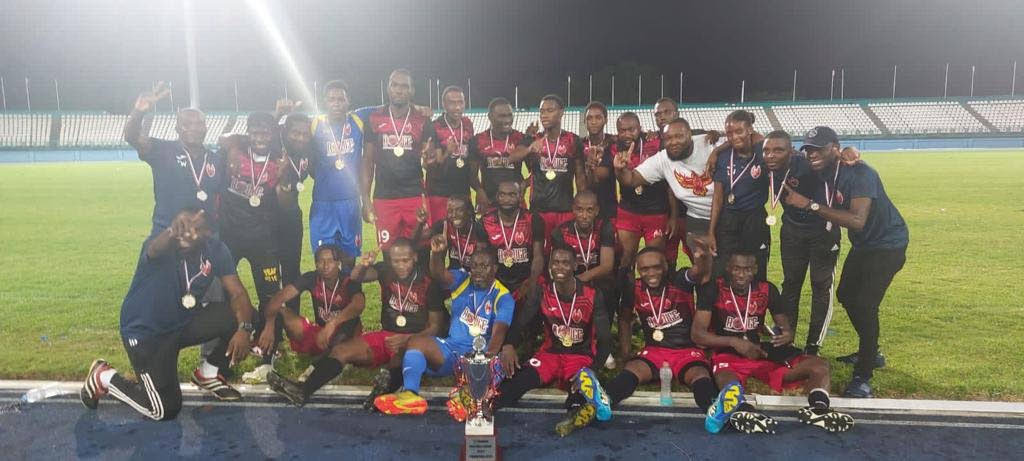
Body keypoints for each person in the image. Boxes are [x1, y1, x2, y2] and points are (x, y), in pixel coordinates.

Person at [81, 209, 255, 420]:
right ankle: (104, 377)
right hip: (147, 332)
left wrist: (244, 328)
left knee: (241, 316)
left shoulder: (215, 249)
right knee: (164, 409)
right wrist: (172, 232)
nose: (188, 232)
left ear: (207, 234)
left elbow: (237, 293)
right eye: (185, 225)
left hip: (182, 323)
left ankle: (207, 374)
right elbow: (154, 249)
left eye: (196, 228)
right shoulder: (161, 244)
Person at [782, 126, 909, 398]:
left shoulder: (861, 174)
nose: (813, 155)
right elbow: (770, 146)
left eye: (819, 149)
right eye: (809, 149)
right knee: (846, 295)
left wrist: (809, 205)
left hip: (888, 245)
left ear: (835, 148)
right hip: (865, 246)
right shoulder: (824, 168)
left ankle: (863, 376)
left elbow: (857, 220)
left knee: (865, 304)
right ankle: (871, 351)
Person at [265, 240, 446, 408]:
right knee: (341, 351)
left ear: (414, 257)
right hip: (386, 335)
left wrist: (408, 338)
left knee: (400, 359)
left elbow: (435, 326)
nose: (399, 266)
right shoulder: (385, 270)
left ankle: (381, 394)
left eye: (405, 260)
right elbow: (355, 277)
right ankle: (303, 391)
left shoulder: (427, 281)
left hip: (415, 341)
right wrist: (363, 264)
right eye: (395, 261)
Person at [692, 251, 854, 434]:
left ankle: (818, 408)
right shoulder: (714, 289)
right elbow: (698, 335)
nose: (741, 275)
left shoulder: (766, 289)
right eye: (736, 269)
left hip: (759, 350)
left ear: (755, 270)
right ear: (728, 268)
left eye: (747, 269)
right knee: (726, 375)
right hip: (727, 351)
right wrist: (734, 342)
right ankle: (743, 410)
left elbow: (784, 327)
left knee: (819, 365)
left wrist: (786, 334)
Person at [373, 243, 514, 415]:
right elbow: (440, 275)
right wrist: (437, 254)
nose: (478, 271)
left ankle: (471, 396)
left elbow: (498, 336)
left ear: (495, 269)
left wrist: (483, 367)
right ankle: (410, 395)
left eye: (484, 266)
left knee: (499, 363)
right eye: (475, 266)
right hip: (452, 349)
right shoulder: (463, 280)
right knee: (416, 342)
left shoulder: (503, 296)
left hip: (479, 354)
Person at [488, 244, 612, 437]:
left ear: (574, 265)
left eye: (565, 263)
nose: (559, 267)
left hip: (580, 355)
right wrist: (508, 345)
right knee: (521, 380)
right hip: (550, 354)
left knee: (578, 389)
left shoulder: (592, 295)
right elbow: (520, 322)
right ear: (549, 266)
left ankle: (578, 412)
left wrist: (593, 369)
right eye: (555, 263)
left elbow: (605, 340)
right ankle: (484, 406)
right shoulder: (542, 292)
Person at [603, 247, 719, 429]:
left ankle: (714, 410)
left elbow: (697, 272)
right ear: (638, 269)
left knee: (699, 376)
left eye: (656, 267)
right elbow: (625, 319)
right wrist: (625, 354)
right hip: (654, 351)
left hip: (686, 350)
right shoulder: (634, 288)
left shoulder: (680, 281)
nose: (651, 273)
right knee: (632, 370)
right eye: (645, 269)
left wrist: (700, 259)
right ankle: (604, 400)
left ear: (665, 266)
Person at [218, 112, 288, 382]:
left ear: (273, 135)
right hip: (230, 237)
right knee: (223, 293)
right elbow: (222, 138)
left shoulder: (279, 160)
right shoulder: (234, 148)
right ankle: (224, 352)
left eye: (266, 132)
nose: (260, 137)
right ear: (248, 133)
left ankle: (269, 358)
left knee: (271, 294)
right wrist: (234, 141)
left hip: (264, 238)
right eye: (255, 132)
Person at [612, 118, 721, 282]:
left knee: (729, 266)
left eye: (679, 136)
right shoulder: (663, 159)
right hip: (698, 219)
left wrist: (718, 150)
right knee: (704, 270)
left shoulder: (708, 142)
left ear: (690, 135)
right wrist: (620, 169)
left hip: (727, 216)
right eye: (669, 138)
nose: (674, 142)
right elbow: (631, 179)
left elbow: (751, 137)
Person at [761, 130, 839, 356]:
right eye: (767, 150)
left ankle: (813, 345)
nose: (771, 155)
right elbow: (751, 139)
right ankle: (787, 336)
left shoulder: (811, 165)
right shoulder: (768, 163)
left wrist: (848, 153)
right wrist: (717, 150)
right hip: (792, 231)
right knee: (791, 283)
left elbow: (837, 161)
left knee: (820, 286)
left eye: (778, 150)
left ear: (791, 151)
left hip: (822, 232)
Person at [123, 82, 224, 236]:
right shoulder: (162, 150)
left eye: (199, 124)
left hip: (205, 237)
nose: (194, 128)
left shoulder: (216, 159)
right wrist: (138, 112)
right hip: (167, 233)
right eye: (186, 124)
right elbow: (132, 137)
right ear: (177, 128)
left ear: (206, 128)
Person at [255, 244, 364, 379]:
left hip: (345, 336)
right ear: (316, 264)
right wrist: (269, 325)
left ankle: (326, 366)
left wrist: (333, 324)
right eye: (321, 261)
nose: (325, 265)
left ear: (338, 263)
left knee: (350, 322)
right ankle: (267, 363)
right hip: (321, 334)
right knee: (282, 311)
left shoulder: (348, 281)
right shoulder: (311, 278)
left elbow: (358, 305)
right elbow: (279, 298)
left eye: (330, 260)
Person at [361, 69, 437, 251]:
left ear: (411, 91)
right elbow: (368, 161)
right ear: (388, 88)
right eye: (394, 85)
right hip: (384, 197)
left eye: (404, 86)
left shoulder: (423, 120)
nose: (399, 90)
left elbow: (430, 160)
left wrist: (428, 160)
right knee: (389, 253)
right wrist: (365, 198)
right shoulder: (374, 118)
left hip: (414, 195)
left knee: (421, 248)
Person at [306, 80, 368, 260]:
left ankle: (350, 289)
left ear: (348, 101)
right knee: (323, 258)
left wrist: (418, 107)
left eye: (341, 99)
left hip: (350, 202)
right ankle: (326, 290)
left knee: (349, 258)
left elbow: (385, 109)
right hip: (322, 203)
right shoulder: (315, 124)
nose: (336, 104)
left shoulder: (358, 120)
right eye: (332, 99)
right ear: (325, 101)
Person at [609, 112, 675, 273]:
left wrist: (673, 215)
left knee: (656, 259)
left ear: (640, 128)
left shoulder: (655, 143)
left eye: (631, 129)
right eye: (622, 130)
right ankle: (627, 297)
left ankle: (657, 297)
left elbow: (669, 183)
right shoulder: (613, 147)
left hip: (656, 212)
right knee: (625, 259)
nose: (626, 134)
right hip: (628, 211)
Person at [514, 95, 586, 238]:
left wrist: (581, 205)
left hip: (565, 210)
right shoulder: (533, 138)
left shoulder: (573, 140)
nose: (544, 115)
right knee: (539, 255)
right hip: (538, 211)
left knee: (564, 256)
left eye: (550, 110)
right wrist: (529, 148)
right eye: (542, 111)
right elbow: (512, 157)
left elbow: (580, 176)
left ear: (561, 112)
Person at [708, 110, 769, 279]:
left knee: (757, 268)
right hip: (728, 220)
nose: (734, 137)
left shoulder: (763, 154)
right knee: (722, 269)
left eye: (739, 131)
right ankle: (724, 305)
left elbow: (765, 141)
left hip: (755, 219)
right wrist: (711, 231)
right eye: (729, 133)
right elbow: (718, 198)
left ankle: (756, 303)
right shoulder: (723, 157)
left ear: (750, 130)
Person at [480, 180, 545, 301]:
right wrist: (491, 283)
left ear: (520, 197)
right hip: (496, 281)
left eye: (512, 195)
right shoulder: (485, 222)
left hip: (525, 281)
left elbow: (538, 256)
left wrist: (531, 282)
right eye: (502, 194)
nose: (506, 199)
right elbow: (482, 257)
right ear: (497, 197)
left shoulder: (533, 220)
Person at [274, 112, 313, 316]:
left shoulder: (307, 152)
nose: (300, 138)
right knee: (270, 276)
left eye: (305, 134)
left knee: (291, 272)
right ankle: (271, 330)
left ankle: (293, 323)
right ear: (284, 132)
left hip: (291, 218)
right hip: (266, 221)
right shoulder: (273, 149)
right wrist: (278, 114)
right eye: (295, 133)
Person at [470, 97, 533, 213]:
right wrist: (479, 190)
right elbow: (471, 173)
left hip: (515, 203)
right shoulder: (478, 140)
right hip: (489, 203)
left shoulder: (521, 139)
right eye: (502, 116)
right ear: (490, 117)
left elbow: (535, 170)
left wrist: (524, 184)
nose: (507, 120)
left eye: (510, 115)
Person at [425, 86, 475, 224]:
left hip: (463, 191)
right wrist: (448, 152)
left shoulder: (468, 124)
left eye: (460, 102)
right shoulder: (434, 127)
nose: (457, 107)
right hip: (439, 193)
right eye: (452, 103)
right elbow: (433, 167)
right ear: (444, 104)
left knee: (463, 236)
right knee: (439, 235)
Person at [415, 195, 487, 271]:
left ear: (468, 211)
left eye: (459, 210)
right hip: (454, 274)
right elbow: (418, 239)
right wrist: (420, 223)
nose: (454, 215)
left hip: (475, 274)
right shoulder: (445, 225)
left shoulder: (478, 229)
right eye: (450, 211)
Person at [579, 101, 617, 220]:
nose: (593, 121)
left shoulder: (614, 143)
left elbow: (603, 175)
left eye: (598, 117)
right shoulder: (578, 145)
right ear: (585, 122)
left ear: (605, 120)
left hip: (609, 210)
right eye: (589, 118)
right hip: (584, 212)